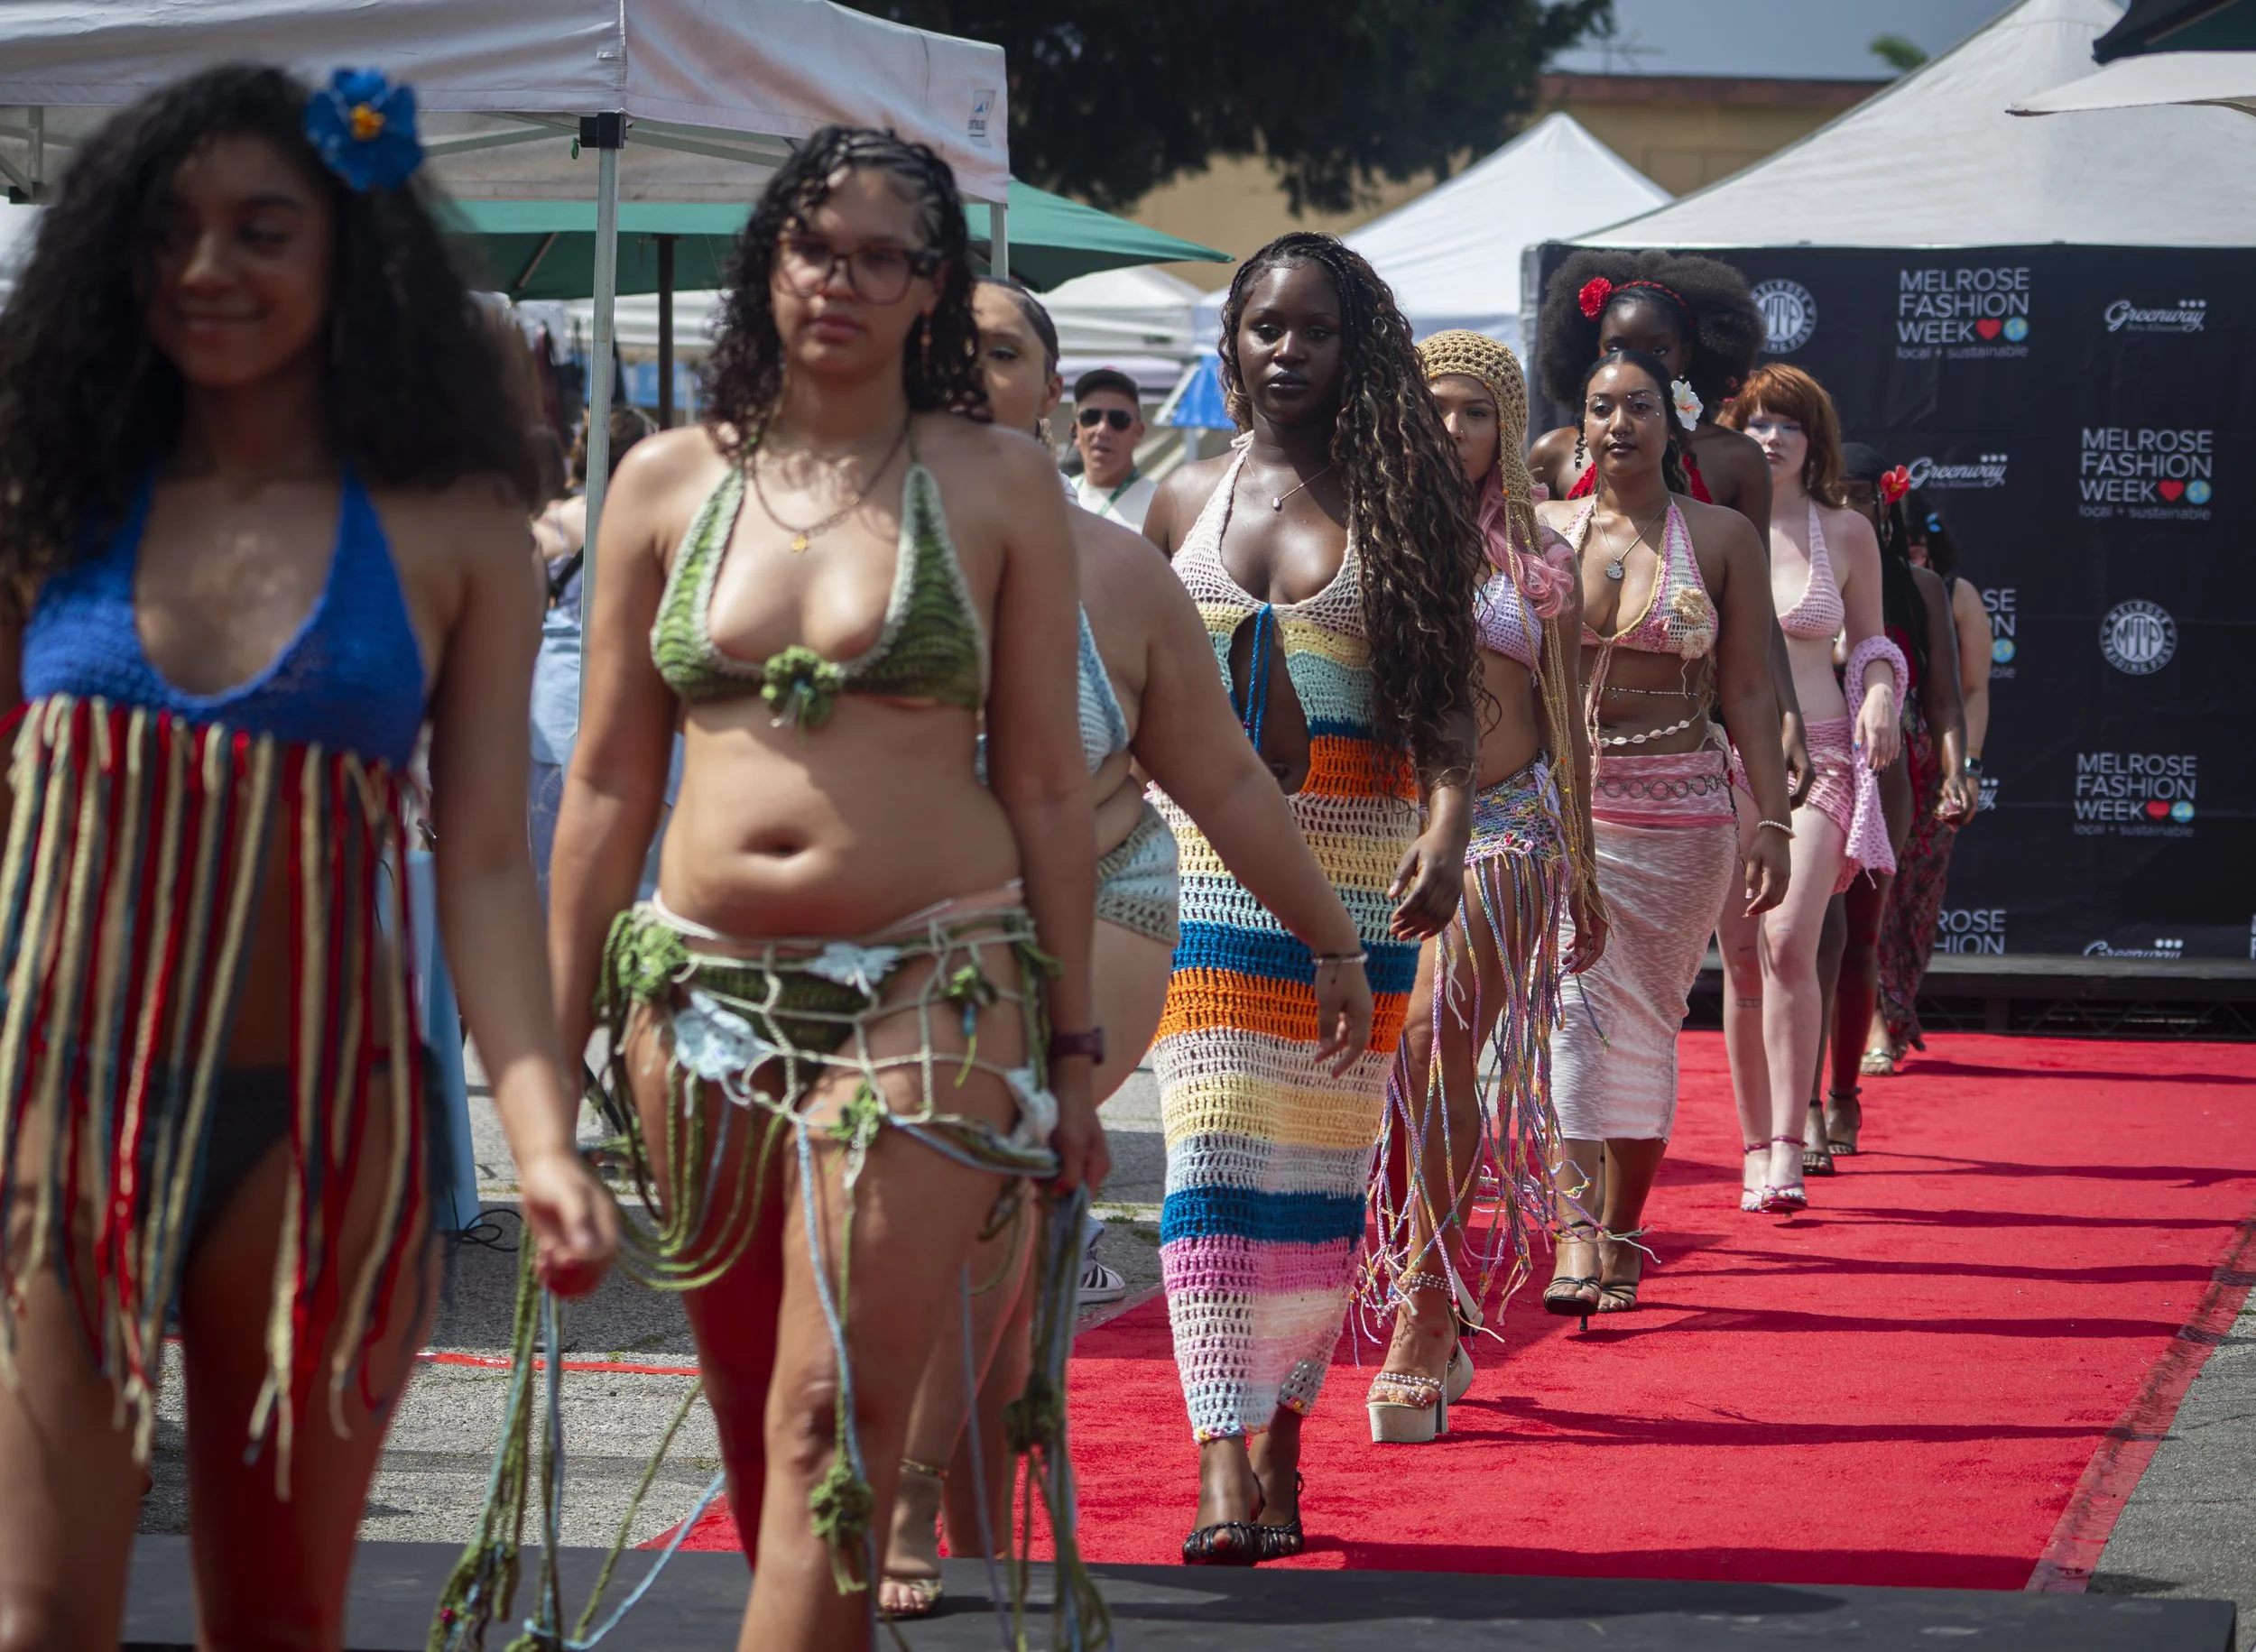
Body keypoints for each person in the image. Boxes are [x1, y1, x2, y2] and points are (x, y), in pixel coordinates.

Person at [0, 64, 615, 1649]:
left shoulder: (453, 526)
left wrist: (544, 1140)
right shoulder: (50, 502)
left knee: (273, 1616)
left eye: (262, 229)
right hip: (71, 1112)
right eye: (171, 233)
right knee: (40, 1609)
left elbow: (483, 861)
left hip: (330, 1130)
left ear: (349, 252)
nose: (211, 269)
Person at [483, 125, 1106, 1652]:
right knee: (763, 1453)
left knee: (830, 1423)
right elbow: (611, 789)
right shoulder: (658, 482)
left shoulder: (1003, 482)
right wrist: (547, 1076)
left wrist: (1076, 1052)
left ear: (931, 289)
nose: (843, 277)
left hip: (933, 984)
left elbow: (1041, 779)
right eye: (817, 243)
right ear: (771, 259)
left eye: (884, 254)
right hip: (693, 1001)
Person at [876, 276, 1374, 1617]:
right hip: (894, 921)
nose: (972, 371)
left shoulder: (1119, 573)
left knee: (980, 1147)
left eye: (1002, 350)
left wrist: (1332, 937)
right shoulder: (841, 541)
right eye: (950, 348)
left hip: (1101, 900)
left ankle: (912, 1488)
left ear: (1053, 386)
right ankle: (973, 1475)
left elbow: (1225, 781)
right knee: (939, 1210)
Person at [1141, 232, 1481, 1562]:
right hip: (1205, 880)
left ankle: (1285, 1444)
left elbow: (1448, 708)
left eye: (1316, 329)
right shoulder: (1176, 500)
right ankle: (1222, 1462)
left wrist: (1448, 830)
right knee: (1212, 1154)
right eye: (1264, 327)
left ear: (1359, 350)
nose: (1287, 350)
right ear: (1228, 343)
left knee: (1318, 1183)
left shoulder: (1406, 503)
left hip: (1361, 875)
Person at [1362, 330, 1605, 1438]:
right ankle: (1434, 1299)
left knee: (1432, 1038)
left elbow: (1565, 723)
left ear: (1507, 429)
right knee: (1384, 1068)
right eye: (1436, 409)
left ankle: (1421, 1307)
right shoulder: (1361, 535)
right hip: (1373, 829)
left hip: (1511, 824)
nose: (1452, 431)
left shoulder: (1540, 555)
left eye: (1475, 413)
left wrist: (1587, 867)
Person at [1539, 348, 1792, 1311]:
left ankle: (1622, 1229)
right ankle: (1570, 1228)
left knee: (1645, 1019)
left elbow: (1749, 686)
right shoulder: (1544, 530)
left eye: (1637, 406)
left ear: (1669, 420)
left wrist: (1768, 817)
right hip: (1566, 810)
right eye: (1601, 407)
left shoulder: (1721, 536)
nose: (1618, 424)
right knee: (1567, 1014)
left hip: (1685, 809)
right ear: (1579, 425)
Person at [1712, 369, 1903, 1214]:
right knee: (1744, 959)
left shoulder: (1848, 530)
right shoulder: (1710, 529)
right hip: (1721, 764)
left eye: (1788, 422)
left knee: (1792, 942)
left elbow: (1871, 643)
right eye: (1755, 422)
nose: (1772, 437)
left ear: (1812, 437)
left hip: (1822, 761)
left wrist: (1879, 694)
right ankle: (1754, 1146)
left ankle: (1793, 1142)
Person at [1528, 249, 1812, 804]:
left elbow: (1755, 614)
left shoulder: (1735, 458)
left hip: (1689, 738)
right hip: (1563, 757)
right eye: (1615, 347)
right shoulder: (1555, 454)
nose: (1634, 358)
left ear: (1689, 351)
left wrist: (1788, 712)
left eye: (1656, 348)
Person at [1858, 479, 1978, 1079]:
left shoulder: (1938, 594)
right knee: (1863, 905)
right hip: (1850, 764)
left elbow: (1961, 694)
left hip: (1926, 766)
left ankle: (1894, 1010)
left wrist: (1963, 768)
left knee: (1910, 907)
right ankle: (1873, 1023)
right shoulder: (1824, 578)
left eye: (1913, 542)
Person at [528, 402, 658, 902]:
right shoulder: (636, 516)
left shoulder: (552, 520)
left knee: (550, 829)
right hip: (615, 677)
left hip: (551, 682)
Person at [1071, 366, 1157, 530]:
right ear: (1074, 430)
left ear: (1139, 433)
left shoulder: (1159, 505)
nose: (1103, 430)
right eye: (1091, 417)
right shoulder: (1055, 497)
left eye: (1118, 419)